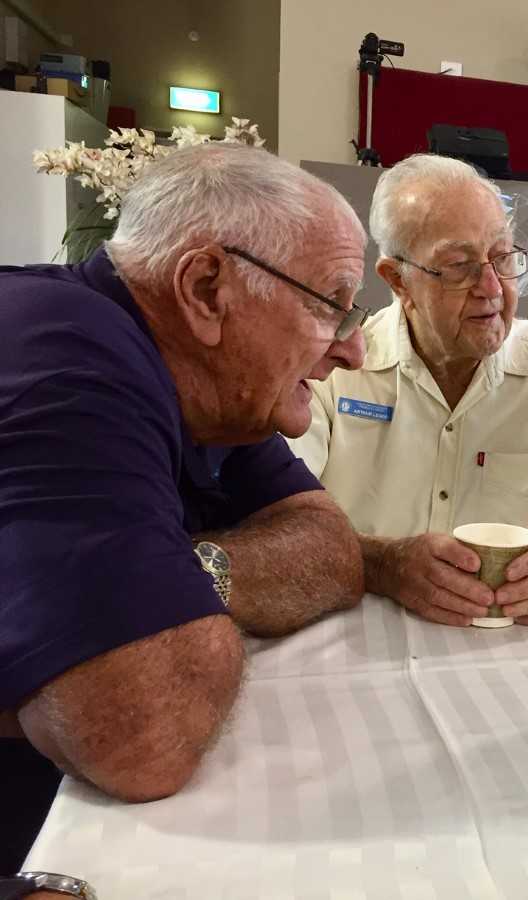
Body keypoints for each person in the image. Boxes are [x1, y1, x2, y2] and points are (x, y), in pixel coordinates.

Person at [0, 143, 369, 869]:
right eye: (331, 304)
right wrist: (144, 629)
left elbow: (333, 551)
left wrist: (180, 571)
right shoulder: (66, 354)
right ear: (206, 288)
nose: (351, 351)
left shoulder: (213, 388)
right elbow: (143, 732)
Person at [290, 153, 528, 628]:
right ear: (397, 280)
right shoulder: (337, 370)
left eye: (503, 257)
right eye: (459, 266)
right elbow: (276, 519)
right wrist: (383, 565)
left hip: (520, 647)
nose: (492, 287)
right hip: (360, 639)